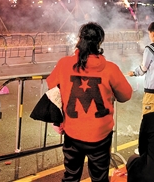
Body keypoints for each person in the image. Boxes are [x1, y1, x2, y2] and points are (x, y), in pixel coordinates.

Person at [47, 22, 133, 182]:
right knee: (99, 177)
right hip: (100, 134)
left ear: (79, 39)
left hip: (72, 131)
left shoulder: (64, 63)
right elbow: (126, 95)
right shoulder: (110, 68)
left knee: (71, 176)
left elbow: (52, 86)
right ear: (100, 42)